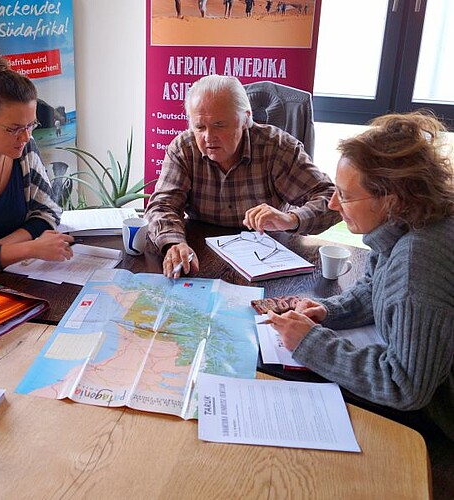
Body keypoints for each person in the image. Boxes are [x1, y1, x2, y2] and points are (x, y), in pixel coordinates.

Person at [267, 111, 454, 440]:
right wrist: (329, 311)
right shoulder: (411, 222)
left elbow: (404, 386)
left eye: (347, 195)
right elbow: (375, 287)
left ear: (391, 200)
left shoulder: (418, 261)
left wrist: (310, 342)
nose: (333, 205)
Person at [145, 74, 340, 277]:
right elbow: (162, 205)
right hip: (201, 255)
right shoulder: (184, 148)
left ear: (245, 119)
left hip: (269, 256)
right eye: (200, 127)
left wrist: (291, 219)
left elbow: (332, 199)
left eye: (219, 125)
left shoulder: (277, 148)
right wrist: (173, 243)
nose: (208, 137)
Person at [0, 47, 74, 273]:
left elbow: (48, 212)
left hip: (8, 275)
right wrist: (31, 248)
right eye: (14, 129)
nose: (26, 137)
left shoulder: (24, 149)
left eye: (31, 125)